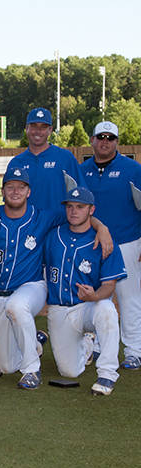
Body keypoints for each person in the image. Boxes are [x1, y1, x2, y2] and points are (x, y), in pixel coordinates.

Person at [0, 167, 113, 389]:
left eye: (20, 187)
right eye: (10, 187)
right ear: (2, 191)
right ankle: (36, 344)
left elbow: (82, 215)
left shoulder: (43, 217)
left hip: (31, 287)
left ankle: (32, 370)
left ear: (28, 192)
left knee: (16, 305)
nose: (15, 191)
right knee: (5, 366)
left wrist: (103, 228)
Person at [43, 187, 126, 395]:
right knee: (69, 371)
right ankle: (88, 344)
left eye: (80, 207)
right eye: (70, 206)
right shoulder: (53, 236)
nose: (73, 211)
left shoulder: (104, 241)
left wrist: (94, 296)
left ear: (91, 210)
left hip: (88, 306)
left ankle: (107, 373)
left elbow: (109, 286)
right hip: (59, 309)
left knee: (106, 309)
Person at [80, 121, 141, 370]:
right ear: (92, 140)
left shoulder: (133, 169)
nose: (105, 142)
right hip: (92, 244)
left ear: (117, 142)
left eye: (110, 138)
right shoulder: (82, 169)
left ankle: (134, 350)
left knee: (130, 299)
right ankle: (96, 347)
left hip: (127, 241)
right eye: (100, 137)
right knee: (94, 297)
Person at [6, 107, 82, 209]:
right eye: (34, 126)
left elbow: (80, 196)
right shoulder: (16, 163)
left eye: (43, 127)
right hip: (27, 224)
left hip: (58, 224)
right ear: (26, 128)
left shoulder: (65, 158)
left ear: (50, 130)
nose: (38, 131)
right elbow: (9, 202)